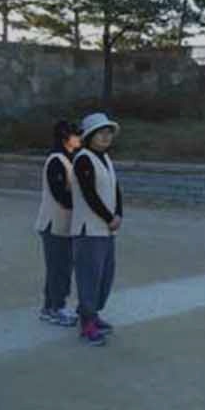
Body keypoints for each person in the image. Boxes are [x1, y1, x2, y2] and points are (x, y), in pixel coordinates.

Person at [71, 112, 123, 347]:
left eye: (108, 133)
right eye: (101, 133)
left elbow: (115, 189)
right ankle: (87, 323)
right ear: (90, 135)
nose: (106, 136)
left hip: (106, 230)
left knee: (105, 276)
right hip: (89, 229)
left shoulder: (105, 158)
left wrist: (118, 214)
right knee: (89, 277)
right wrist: (108, 217)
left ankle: (93, 313)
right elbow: (88, 193)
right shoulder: (83, 158)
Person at [35, 121, 81, 328]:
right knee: (59, 269)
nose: (79, 138)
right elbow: (61, 195)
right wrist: (83, 204)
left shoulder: (67, 159)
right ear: (65, 137)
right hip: (54, 225)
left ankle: (49, 307)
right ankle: (56, 308)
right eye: (75, 134)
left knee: (58, 268)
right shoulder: (56, 160)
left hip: (63, 225)